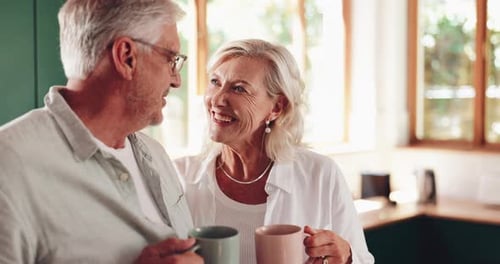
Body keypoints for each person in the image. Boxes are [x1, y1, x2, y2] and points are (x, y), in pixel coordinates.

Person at [0, 0, 202, 263]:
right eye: (171, 59)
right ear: (126, 57)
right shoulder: (9, 165)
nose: (176, 80)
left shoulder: (156, 154)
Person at [174, 39, 375, 264]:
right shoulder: (179, 176)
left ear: (277, 107)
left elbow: (362, 260)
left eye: (239, 88)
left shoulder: (320, 174)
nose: (218, 99)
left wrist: (346, 257)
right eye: (215, 81)